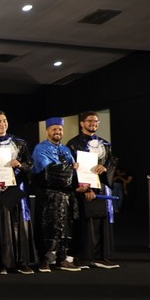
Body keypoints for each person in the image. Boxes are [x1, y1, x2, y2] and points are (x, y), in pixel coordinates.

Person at [0, 111, 36, 275]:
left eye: (4, 120)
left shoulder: (20, 142)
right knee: (1, 225)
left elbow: (30, 164)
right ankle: (3, 263)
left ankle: (23, 262)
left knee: (21, 225)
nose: (2, 124)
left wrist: (20, 165)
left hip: (17, 189)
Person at [66, 111, 120, 269]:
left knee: (101, 222)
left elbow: (111, 163)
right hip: (83, 188)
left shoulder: (105, 144)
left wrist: (105, 167)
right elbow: (72, 168)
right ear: (82, 123)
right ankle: (84, 257)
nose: (93, 124)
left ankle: (100, 257)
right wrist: (85, 188)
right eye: (90, 121)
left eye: (96, 121)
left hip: (101, 188)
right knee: (85, 223)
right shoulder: (73, 144)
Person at [32, 117, 84, 272]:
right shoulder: (40, 149)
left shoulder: (66, 150)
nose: (58, 132)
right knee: (48, 228)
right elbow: (48, 172)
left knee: (65, 228)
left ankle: (62, 259)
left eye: (60, 129)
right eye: (54, 129)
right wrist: (70, 167)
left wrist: (80, 184)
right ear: (47, 130)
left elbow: (74, 173)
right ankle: (45, 260)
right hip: (48, 196)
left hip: (66, 197)